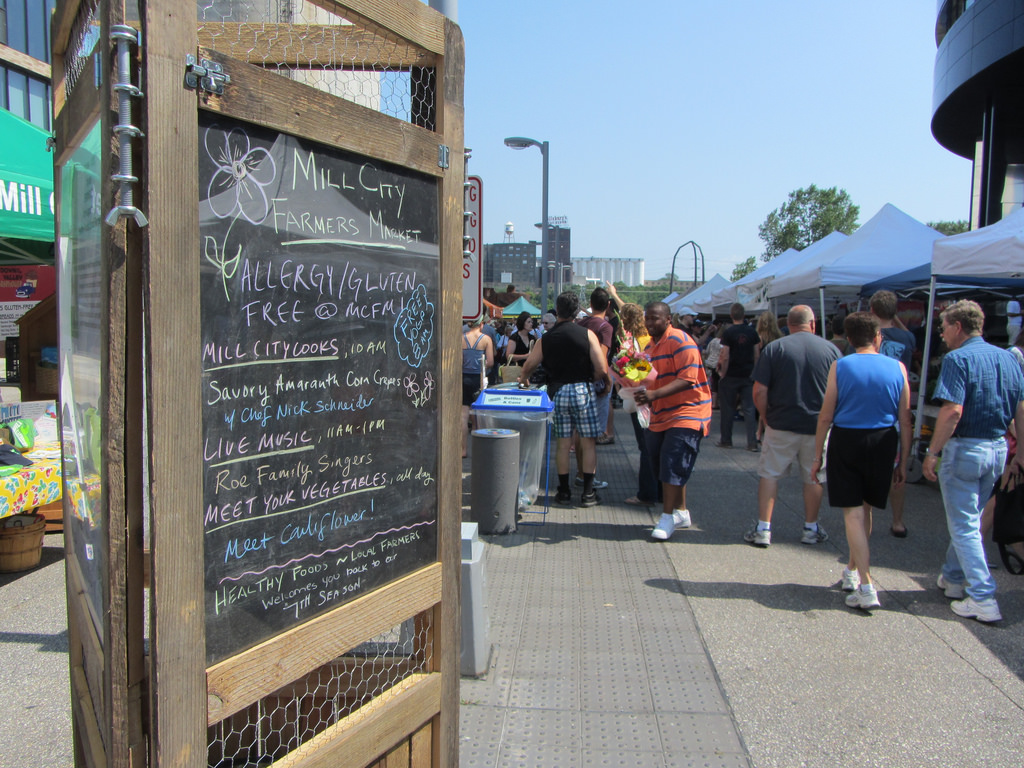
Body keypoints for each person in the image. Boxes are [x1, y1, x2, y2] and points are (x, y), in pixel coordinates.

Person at [923, 300, 1024, 623]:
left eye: (943, 327)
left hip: (966, 448)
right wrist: (1020, 452)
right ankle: (953, 577)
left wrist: (932, 452)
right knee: (970, 518)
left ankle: (982, 595)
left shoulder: (957, 359)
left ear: (957, 327)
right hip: (996, 449)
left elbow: (952, 412)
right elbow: (1021, 410)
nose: (942, 333)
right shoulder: (1009, 358)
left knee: (965, 523)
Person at [812, 312, 911, 611]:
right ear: (878, 336)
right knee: (865, 509)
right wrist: (904, 460)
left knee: (853, 514)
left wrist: (817, 455)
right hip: (883, 441)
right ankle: (853, 571)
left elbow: (826, 414)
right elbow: (905, 418)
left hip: (848, 440)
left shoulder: (840, 366)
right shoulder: (898, 367)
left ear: (849, 339)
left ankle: (866, 584)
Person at [744, 305, 839, 548]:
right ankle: (811, 527)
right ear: (813, 324)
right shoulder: (832, 350)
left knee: (770, 474)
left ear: (788, 324)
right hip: (818, 425)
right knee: (814, 477)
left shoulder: (775, 349)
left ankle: (764, 528)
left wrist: (765, 418)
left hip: (781, 422)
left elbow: (759, 390)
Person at [519, 291, 609, 507]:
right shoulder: (588, 335)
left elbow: (529, 366)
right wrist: (599, 383)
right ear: (576, 311)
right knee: (587, 443)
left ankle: (564, 491)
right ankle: (588, 493)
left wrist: (523, 378)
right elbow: (600, 367)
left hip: (557, 392)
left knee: (563, 444)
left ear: (557, 310)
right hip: (582, 390)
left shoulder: (545, 339)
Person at [634, 301, 712, 540]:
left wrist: (654, 394)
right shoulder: (649, 346)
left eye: (655, 318)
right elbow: (641, 375)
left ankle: (667, 518)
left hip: (688, 411)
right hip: (660, 414)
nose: (650, 323)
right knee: (661, 462)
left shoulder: (681, 341)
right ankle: (681, 511)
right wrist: (627, 378)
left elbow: (688, 379)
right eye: (647, 318)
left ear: (668, 319)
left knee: (672, 461)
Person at [869, 290, 917, 538]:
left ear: (873, 311)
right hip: (899, 402)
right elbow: (907, 337)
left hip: (872, 405)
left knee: (867, 469)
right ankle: (898, 521)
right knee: (896, 469)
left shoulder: (870, 337)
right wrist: (895, 318)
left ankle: (864, 518)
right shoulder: (907, 338)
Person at [617, 301, 661, 508]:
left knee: (646, 445)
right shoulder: (651, 340)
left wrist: (626, 375)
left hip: (643, 396)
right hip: (656, 397)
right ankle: (660, 490)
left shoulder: (632, 342)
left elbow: (637, 369)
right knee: (655, 445)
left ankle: (647, 493)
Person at [576, 288, 615, 483]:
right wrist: (606, 381)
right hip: (596, 381)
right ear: (608, 305)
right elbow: (602, 358)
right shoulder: (605, 327)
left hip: (578, 379)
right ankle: (589, 477)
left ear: (590, 303)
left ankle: (579, 473)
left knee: (578, 431)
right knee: (591, 434)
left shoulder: (580, 323)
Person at [716, 302, 760, 451]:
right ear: (744, 314)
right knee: (749, 408)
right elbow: (756, 354)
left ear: (731, 315)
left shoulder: (728, 333)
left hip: (731, 374)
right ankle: (752, 442)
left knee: (727, 409)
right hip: (748, 374)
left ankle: (726, 439)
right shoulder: (752, 332)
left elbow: (725, 355)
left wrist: (723, 373)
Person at [461, 317, 494, 458]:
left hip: (463, 377)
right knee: (478, 416)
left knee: (463, 416)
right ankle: (478, 450)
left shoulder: (461, 338)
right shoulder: (486, 339)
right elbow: (491, 362)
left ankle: (462, 450)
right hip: (478, 379)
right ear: (481, 324)